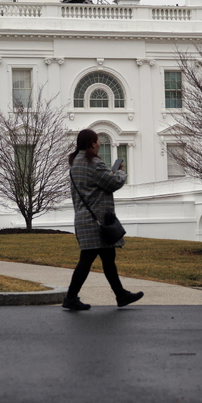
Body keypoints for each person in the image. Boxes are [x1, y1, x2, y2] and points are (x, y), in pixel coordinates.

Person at [63, 128, 144, 311]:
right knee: (87, 260)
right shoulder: (93, 163)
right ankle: (70, 297)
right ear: (92, 143)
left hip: (84, 219)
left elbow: (98, 183)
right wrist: (121, 173)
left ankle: (120, 295)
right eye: (98, 141)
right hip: (96, 221)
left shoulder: (76, 162)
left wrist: (110, 172)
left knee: (108, 258)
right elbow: (113, 182)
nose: (99, 144)